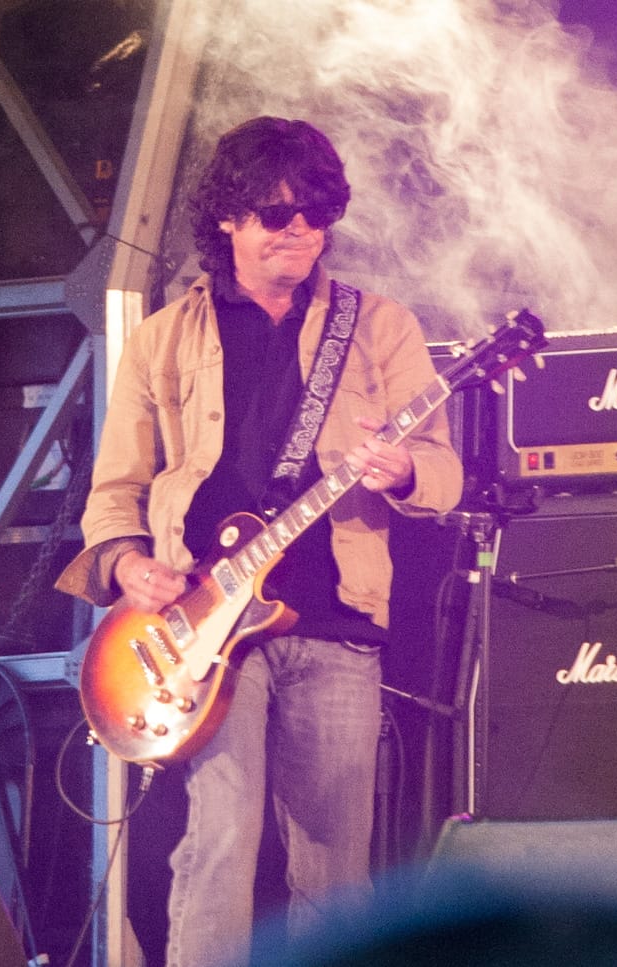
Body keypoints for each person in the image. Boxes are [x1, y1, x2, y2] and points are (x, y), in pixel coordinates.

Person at [55, 115, 464, 967]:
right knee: (220, 842)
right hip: (208, 636)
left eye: (317, 213)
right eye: (279, 214)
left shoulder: (378, 325)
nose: (301, 231)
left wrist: (398, 472)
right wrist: (130, 564)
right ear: (230, 220)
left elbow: (445, 473)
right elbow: (114, 492)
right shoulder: (166, 336)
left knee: (335, 866)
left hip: (337, 619)